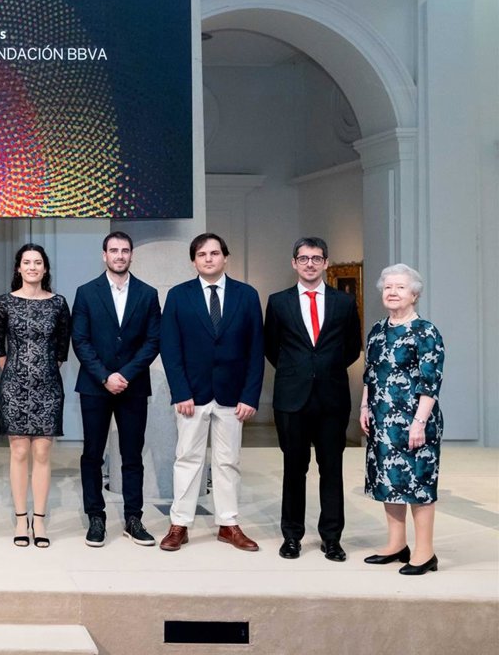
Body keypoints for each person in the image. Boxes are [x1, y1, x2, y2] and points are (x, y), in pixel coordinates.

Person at [159, 233, 264, 553]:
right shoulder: (179, 295)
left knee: (228, 461)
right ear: (193, 261)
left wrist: (250, 395)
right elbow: (170, 348)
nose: (208, 258)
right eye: (202, 254)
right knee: (187, 459)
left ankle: (228, 524)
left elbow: (256, 350)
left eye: (215, 253)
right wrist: (180, 391)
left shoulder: (247, 295)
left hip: (233, 396)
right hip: (192, 395)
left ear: (225, 257)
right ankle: (179, 524)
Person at [264, 237, 361, 562]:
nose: (310, 264)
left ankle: (331, 539)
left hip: (332, 399)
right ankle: (292, 536)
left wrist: (324, 370)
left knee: (331, 470)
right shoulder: (278, 302)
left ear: (325, 263)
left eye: (316, 258)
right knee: (294, 469)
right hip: (292, 399)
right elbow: (271, 347)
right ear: (294, 263)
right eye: (304, 258)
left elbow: (352, 347)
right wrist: (300, 372)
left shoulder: (344, 302)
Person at [71, 231, 162, 548]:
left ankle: (133, 519)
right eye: (114, 250)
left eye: (125, 250)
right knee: (92, 455)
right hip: (95, 386)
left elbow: (153, 341)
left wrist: (125, 374)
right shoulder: (86, 292)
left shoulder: (148, 294)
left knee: (132, 455)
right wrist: (105, 376)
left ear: (131, 255)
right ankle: (96, 518)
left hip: (133, 386)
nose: (119, 255)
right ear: (104, 255)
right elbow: (80, 340)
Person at [361, 264, 445, 575]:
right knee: (388, 481)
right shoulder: (377, 330)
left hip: (415, 421)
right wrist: (364, 407)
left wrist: (419, 422)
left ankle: (425, 552)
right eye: (388, 287)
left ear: (414, 294)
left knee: (418, 485)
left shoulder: (425, 331)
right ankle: (397, 544)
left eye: (400, 287)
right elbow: (370, 373)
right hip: (382, 420)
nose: (392, 292)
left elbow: (430, 381)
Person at [0, 244, 70, 548]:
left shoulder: (58, 304)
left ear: (45, 268)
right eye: (27, 262)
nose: (32, 267)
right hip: (14, 386)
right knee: (20, 452)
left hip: (48, 386)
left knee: (42, 453)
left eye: (38, 262)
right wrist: (19, 373)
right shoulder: (5, 303)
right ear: (19, 268)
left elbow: (61, 350)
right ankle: (21, 519)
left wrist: (41, 372)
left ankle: (40, 519)